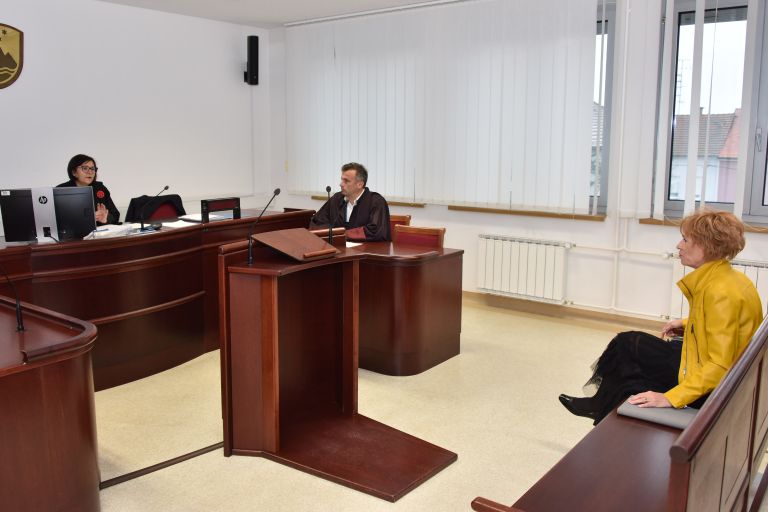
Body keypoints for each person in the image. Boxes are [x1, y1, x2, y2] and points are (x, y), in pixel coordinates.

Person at [559, 209, 763, 425]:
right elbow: (724, 326)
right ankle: (601, 406)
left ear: (706, 246)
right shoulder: (731, 279)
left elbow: (720, 366)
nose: (679, 245)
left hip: (713, 384)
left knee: (628, 348)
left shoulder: (719, 292)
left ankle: (602, 410)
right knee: (628, 350)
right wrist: (687, 324)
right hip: (708, 364)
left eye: (685, 240)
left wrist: (670, 398)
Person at [309, 162, 391, 241]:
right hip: (337, 247)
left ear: (360, 184)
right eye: (342, 180)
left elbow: (376, 231)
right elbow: (317, 221)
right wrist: (330, 233)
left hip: (367, 249)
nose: (341, 184)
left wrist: (342, 234)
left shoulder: (376, 202)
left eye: (346, 181)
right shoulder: (336, 199)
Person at [57, 154, 120, 225]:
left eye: (92, 169)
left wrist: (106, 219)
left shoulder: (100, 188)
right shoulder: (61, 190)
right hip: (72, 231)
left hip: (99, 231)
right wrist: (85, 219)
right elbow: (57, 219)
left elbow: (115, 215)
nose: (90, 172)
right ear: (74, 172)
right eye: (85, 168)